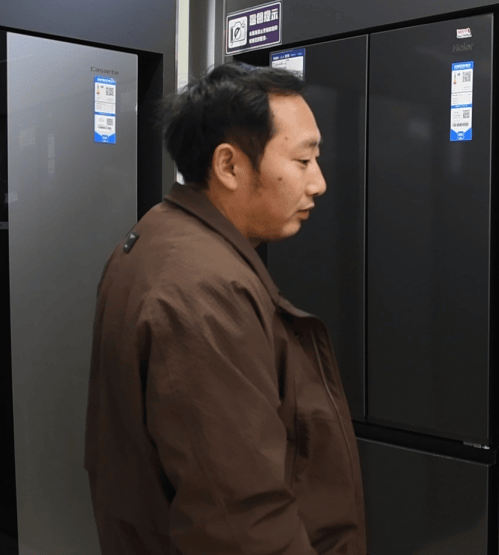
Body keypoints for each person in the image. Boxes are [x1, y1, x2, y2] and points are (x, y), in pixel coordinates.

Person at [84, 63, 366, 554]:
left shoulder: (158, 232)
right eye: (303, 161)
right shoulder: (204, 289)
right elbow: (241, 520)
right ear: (229, 166)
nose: (318, 183)